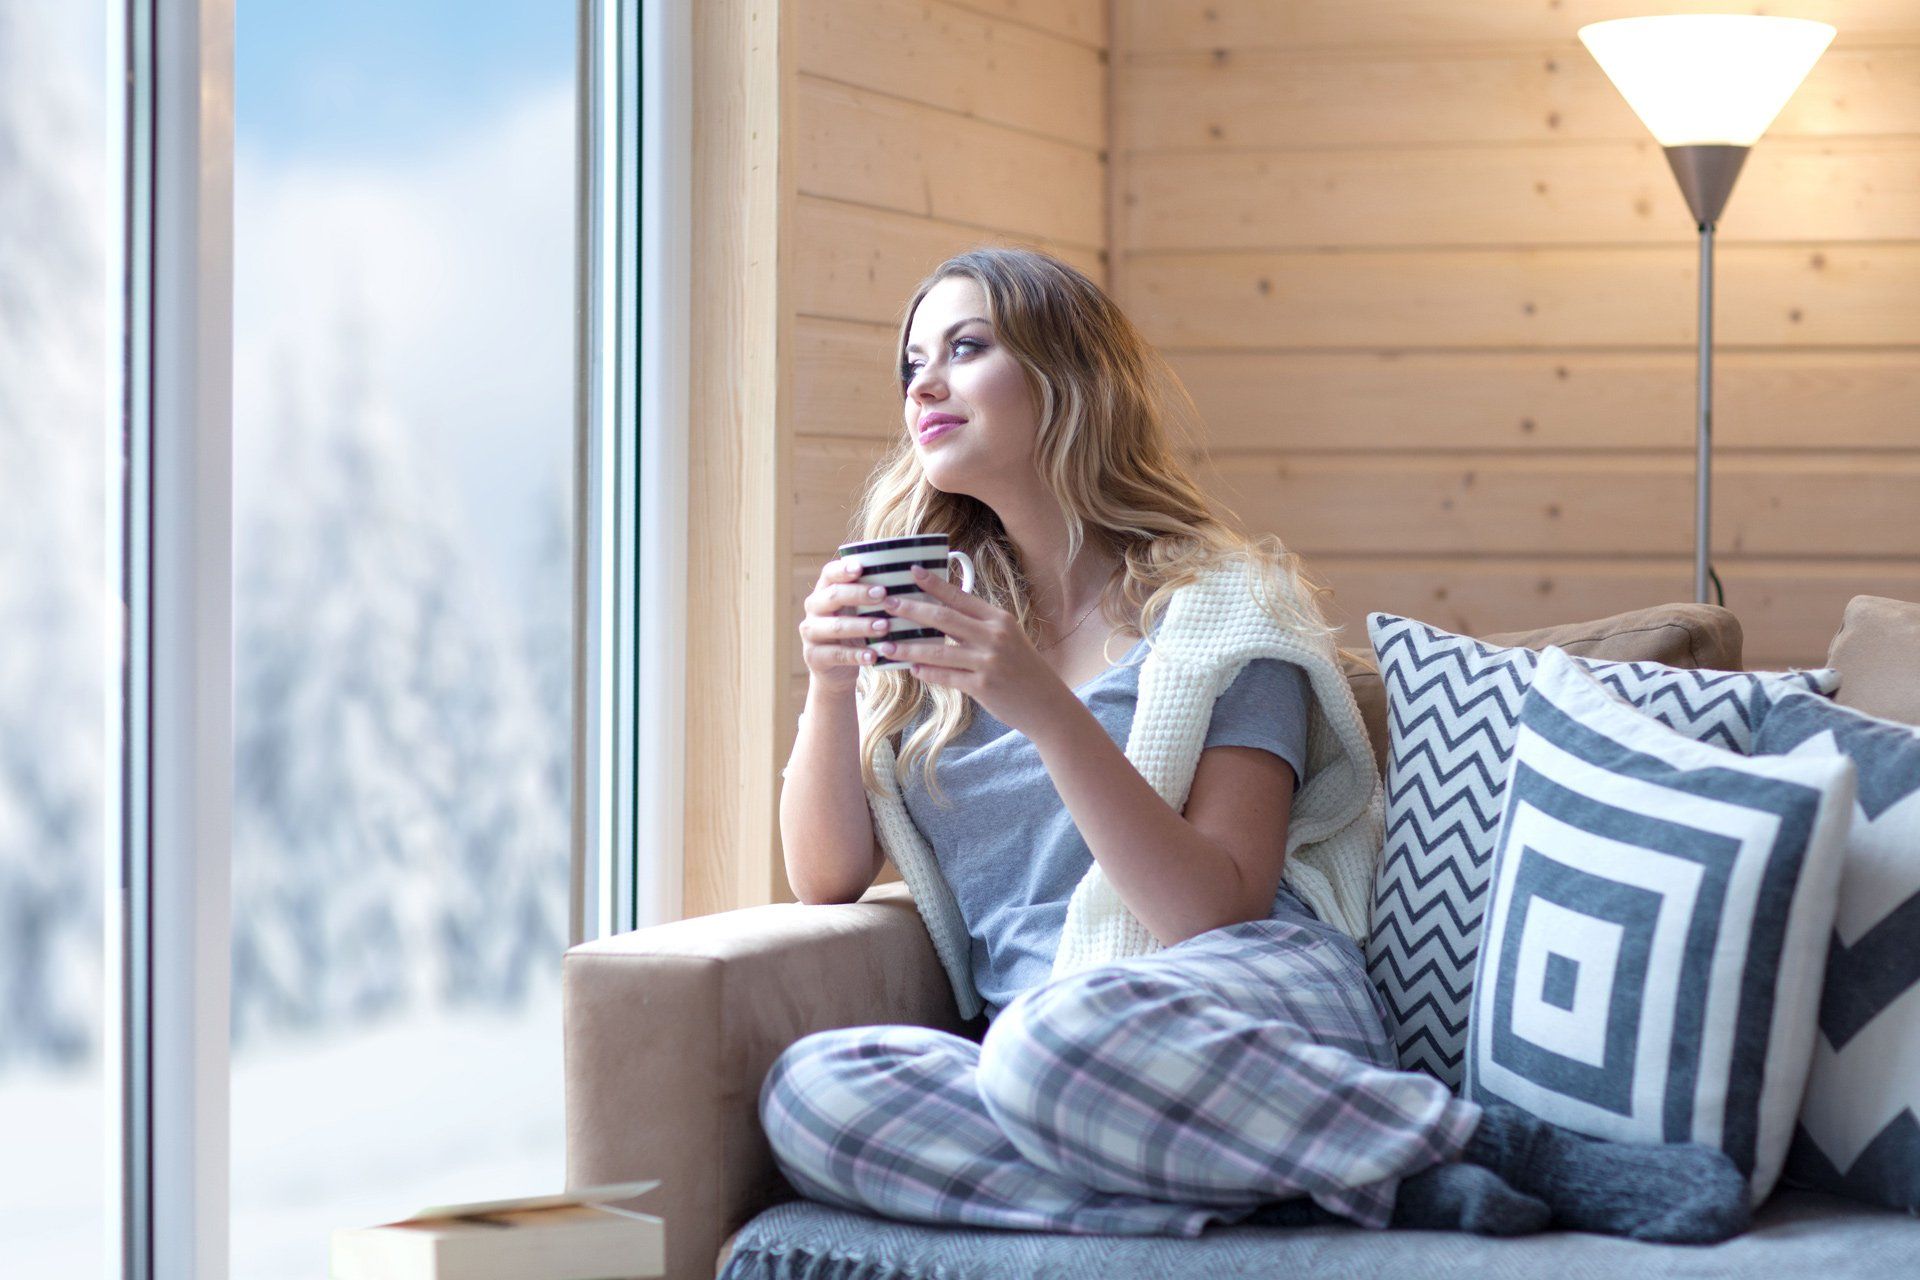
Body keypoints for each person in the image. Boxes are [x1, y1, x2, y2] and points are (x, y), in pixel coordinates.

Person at [765, 246, 1750, 1243]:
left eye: (966, 348)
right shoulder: (937, 630)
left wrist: (1044, 707)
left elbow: (1211, 907)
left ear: (1068, 381)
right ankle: (1339, 1182)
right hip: (1064, 1054)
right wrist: (832, 683)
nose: (923, 382)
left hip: (1246, 998)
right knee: (811, 1090)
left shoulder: (1223, 609)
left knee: (1049, 1042)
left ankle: (1498, 1144)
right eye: (911, 363)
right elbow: (826, 874)